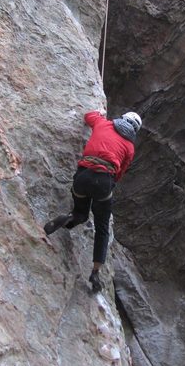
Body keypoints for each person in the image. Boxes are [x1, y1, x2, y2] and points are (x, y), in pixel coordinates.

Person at [44, 109, 142, 292]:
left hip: (82, 176)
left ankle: (69, 217)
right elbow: (120, 173)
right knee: (102, 228)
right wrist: (107, 188)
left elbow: (88, 116)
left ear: (122, 118)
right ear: (134, 131)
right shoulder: (129, 147)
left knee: (80, 213)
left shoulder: (103, 123)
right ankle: (95, 272)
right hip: (104, 181)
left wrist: (99, 113)